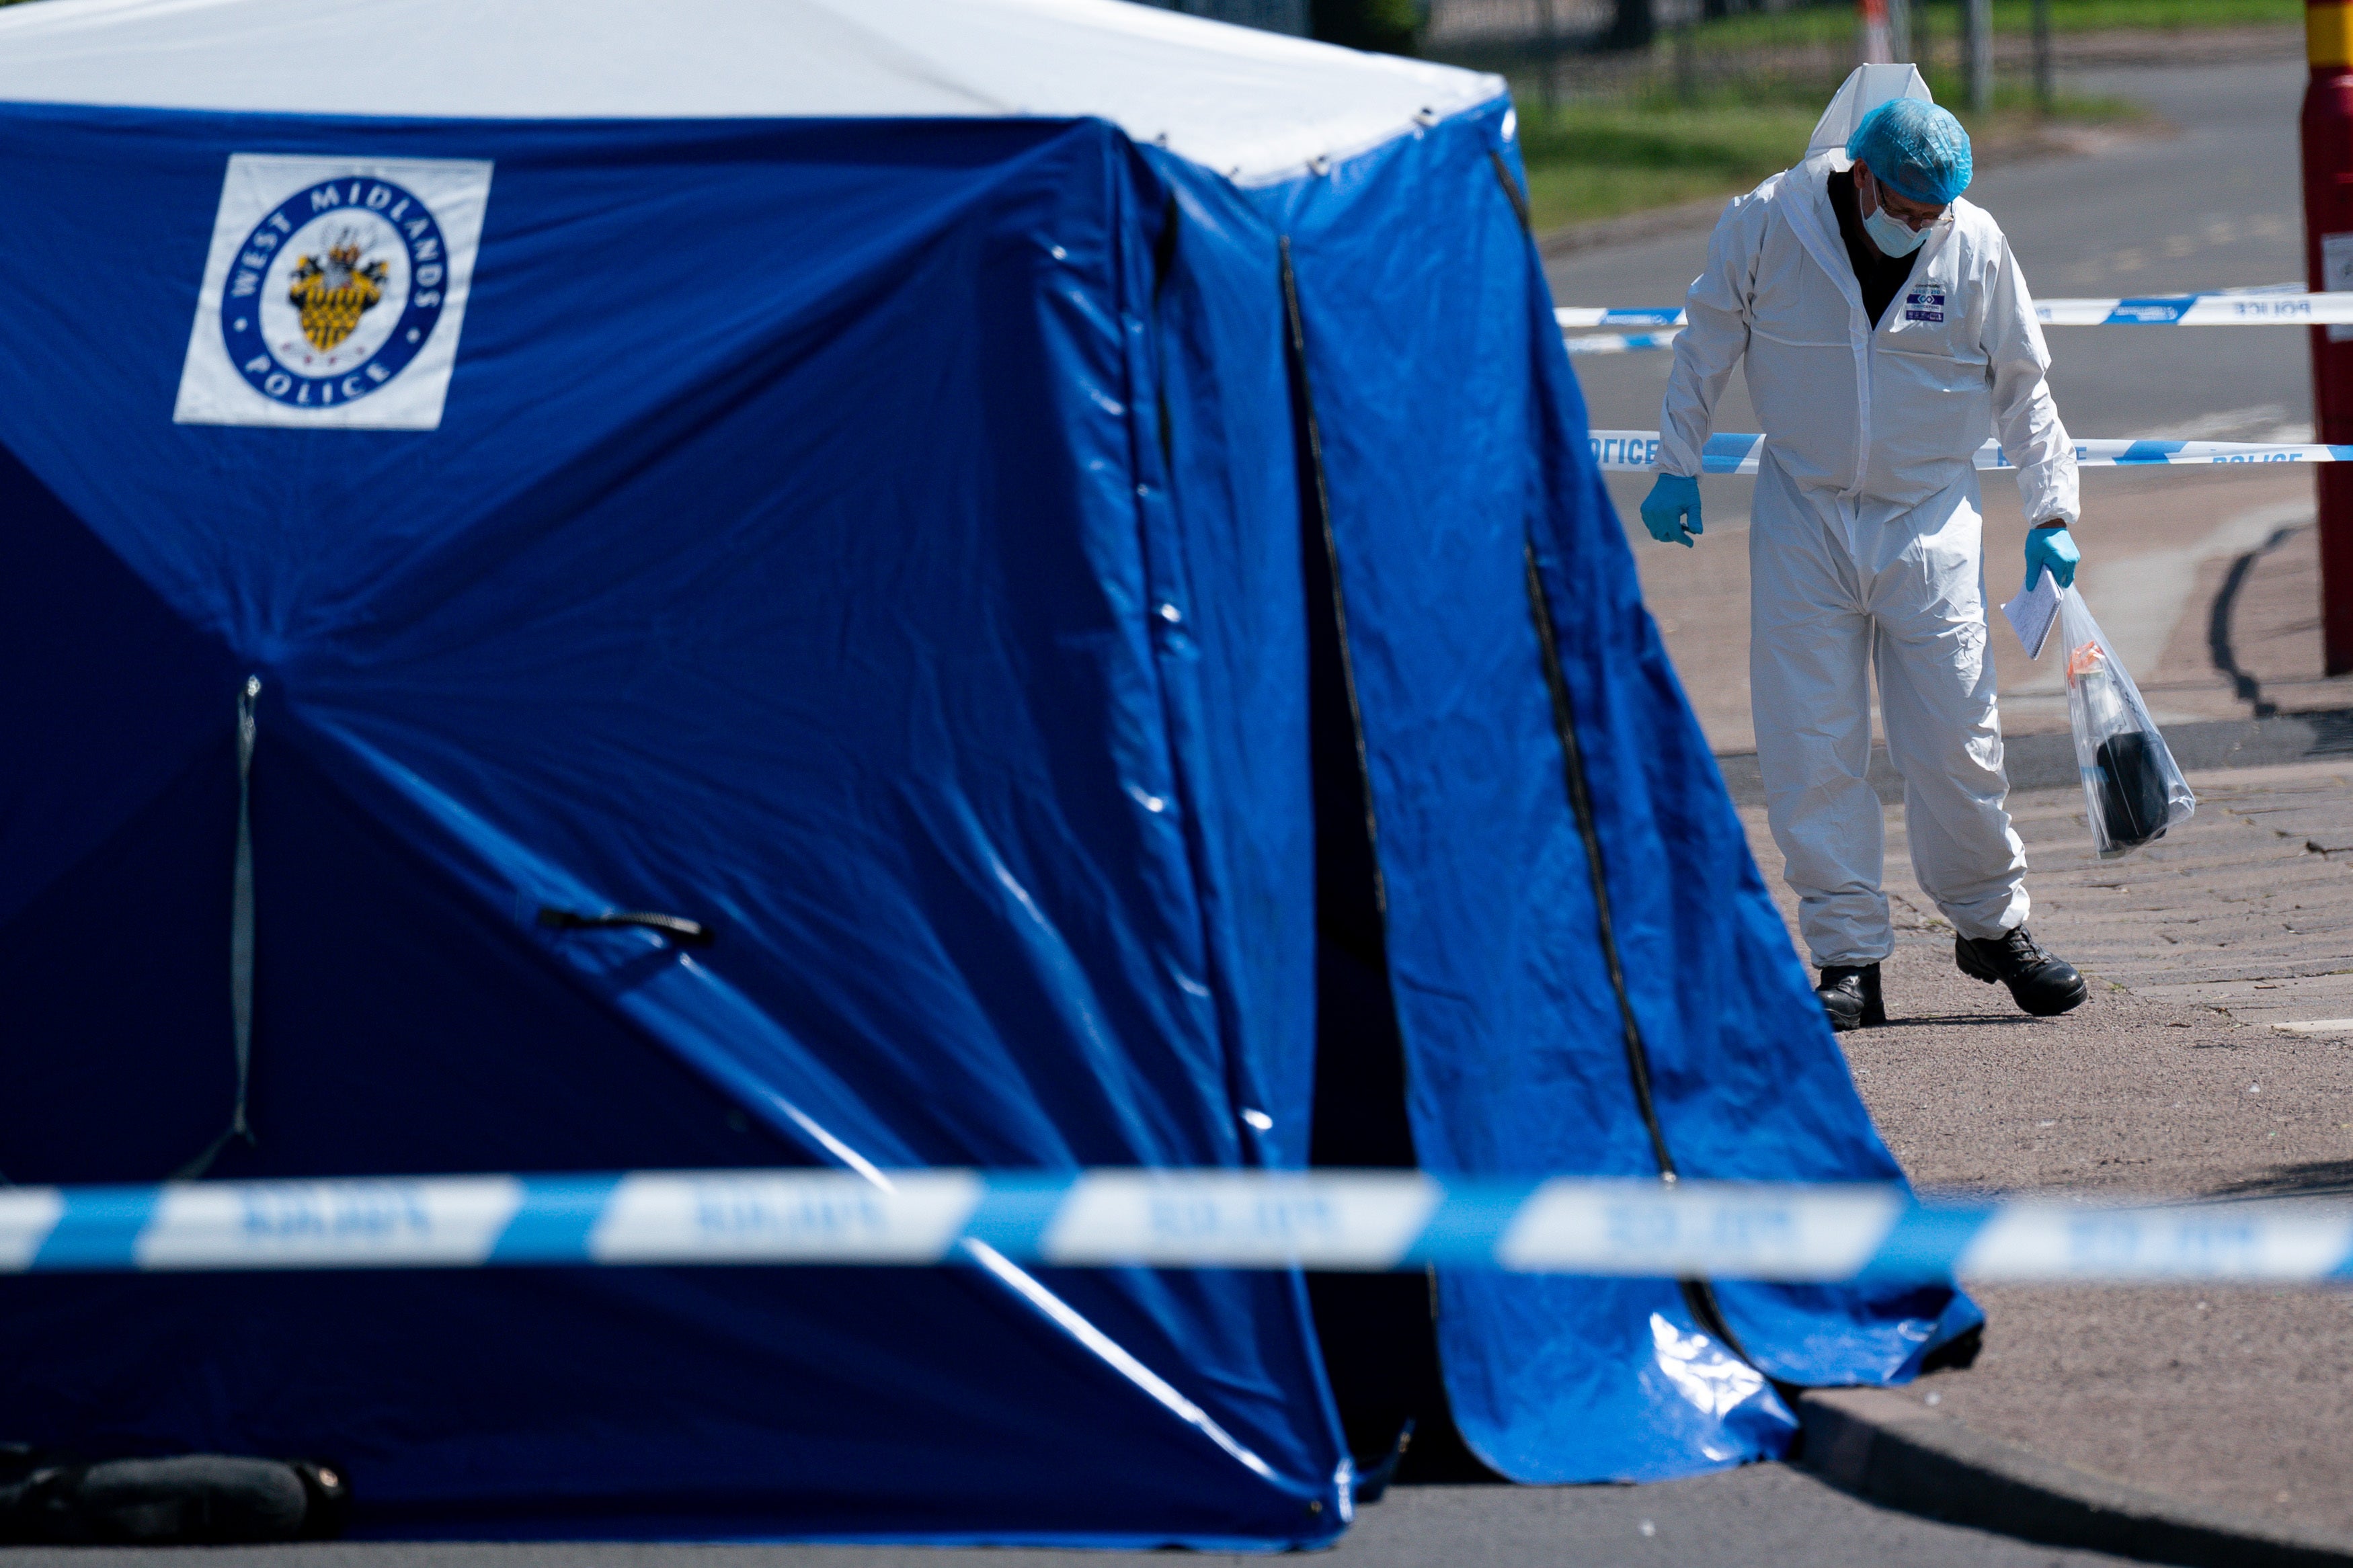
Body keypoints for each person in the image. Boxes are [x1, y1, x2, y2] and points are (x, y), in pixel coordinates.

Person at [1637, 71, 2088, 1031]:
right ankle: (1848, 957)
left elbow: (2025, 385)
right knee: (1811, 745)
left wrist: (2053, 512)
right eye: (1913, 207)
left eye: (1941, 211)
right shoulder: (1768, 221)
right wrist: (1678, 461)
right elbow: (1706, 337)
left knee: (1961, 739)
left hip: (1929, 521)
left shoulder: (1972, 242)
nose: (1926, 225)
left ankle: (1992, 926)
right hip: (1805, 515)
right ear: (1865, 180)